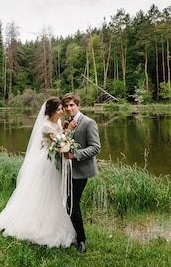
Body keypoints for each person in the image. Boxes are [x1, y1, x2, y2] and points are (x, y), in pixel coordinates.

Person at [0, 97, 77, 248]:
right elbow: (57, 143)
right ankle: (40, 225)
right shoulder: (45, 126)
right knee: (46, 191)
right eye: (59, 109)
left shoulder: (57, 122)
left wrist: (64, 129)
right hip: (48, 163)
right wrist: (69, 131)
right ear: (52, 111)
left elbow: (58, 138)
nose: (62, 111)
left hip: (55, 160)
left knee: (55, 192)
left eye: (61, 108)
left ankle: (54, 220)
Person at [62, 92, 101, 253]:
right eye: (66, 106)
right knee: (66, 203)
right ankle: (70, 234)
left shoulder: (88, 123)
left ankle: (81, 240)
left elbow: (96, 147)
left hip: (81, 171)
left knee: (73, 204)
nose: (69, 108)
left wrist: (75, 155)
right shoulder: (67, 123)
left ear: (78, 105)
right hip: (66, 170)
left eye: (72, 105)